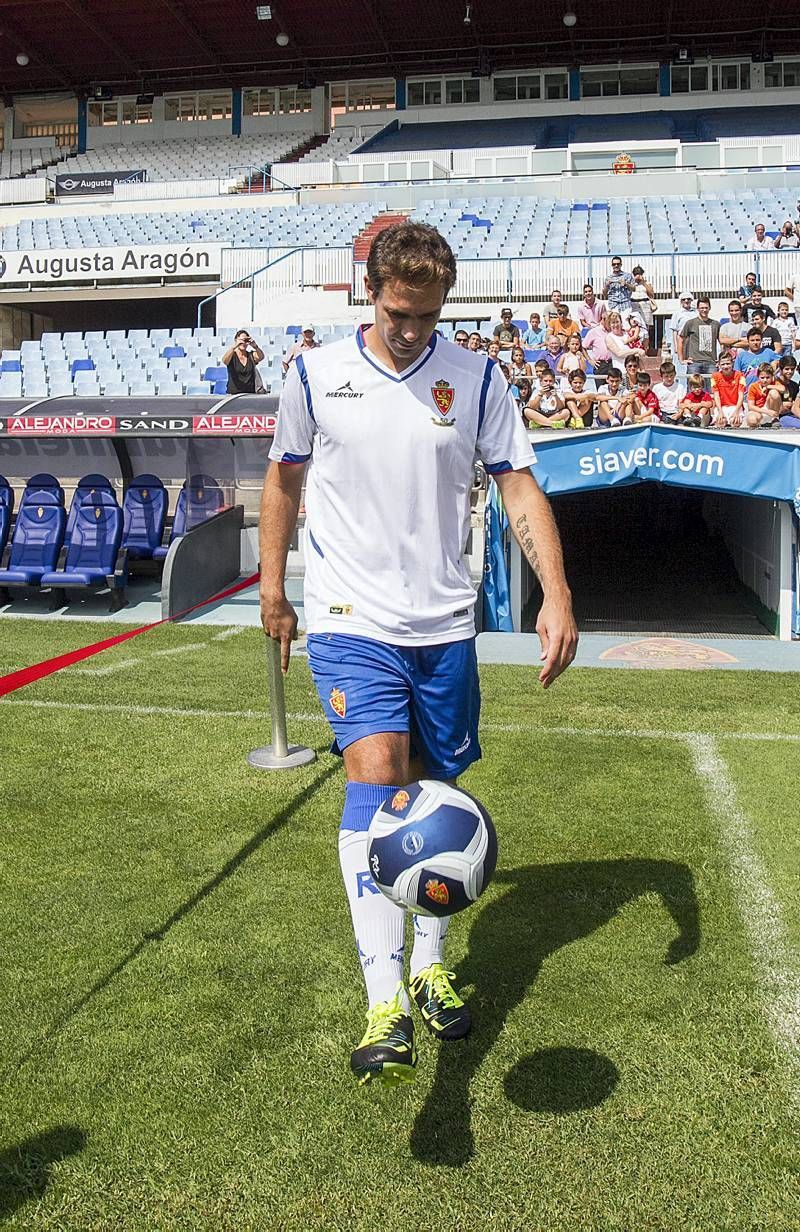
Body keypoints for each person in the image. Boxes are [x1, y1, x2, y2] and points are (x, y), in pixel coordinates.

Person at [259, 221, 577, 1088]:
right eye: (401, 313)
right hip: (350, 618)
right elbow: (283, 479)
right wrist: (273, 585)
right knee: (375, 775)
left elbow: (518, 482)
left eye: (428, 315)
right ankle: (384, 1002)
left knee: (435, 799)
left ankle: (432, 967)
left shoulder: (475, 378)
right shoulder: (315, 373)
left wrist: (557, 592)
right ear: (373, 293)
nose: (412, 330)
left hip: (445, 626)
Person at [678, 295, 720, 378]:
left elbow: (722, 342)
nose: (704, 310)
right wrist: (681, 359)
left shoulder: (716, 324)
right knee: (693, 388)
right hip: (694, 363)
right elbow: (680, 339)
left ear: (709, 308)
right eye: (701, 308)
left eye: (706, 308)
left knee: (712, 389)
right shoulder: (690, 323)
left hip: (711, 362)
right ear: (697, 308)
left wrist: (721, 359)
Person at [221, 329, 265, 394]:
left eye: (246, 341)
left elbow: (261, 357)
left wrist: (255, 346)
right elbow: (224, 360)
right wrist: (235, 346)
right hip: (233, 394)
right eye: (242, 340)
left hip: (250, 394)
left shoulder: (250, 355)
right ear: (236, 340)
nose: (244, 343)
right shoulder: (232, 355)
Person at [710, 352, 746, 428]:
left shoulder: (740, 375)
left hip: (736, 407)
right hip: (721, 407)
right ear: (719, 365)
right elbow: (716, 396)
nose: (726, 366)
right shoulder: (714, 376)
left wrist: (736, 411)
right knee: (721, 423)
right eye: (723, 364)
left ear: (732, 363)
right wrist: (720, 412)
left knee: (735, 423)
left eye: (728, 363)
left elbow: (741, 396)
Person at [745, 363, 780, 428]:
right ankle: (760, 425)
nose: (765, 380)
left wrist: (768, 387)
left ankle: (775, 419)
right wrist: (766, 412)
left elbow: (783, 389)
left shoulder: (774, 383)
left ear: (772, 376)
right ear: (758, 376)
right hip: (759, 411)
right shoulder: (753, 386)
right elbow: (751, 406)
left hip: (770, 409)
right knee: (752, 420)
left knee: (774, 392)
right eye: (762, 378)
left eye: (767, 377)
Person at [652, 361, 686, 425]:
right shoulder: (656, 388)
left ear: (675, 374)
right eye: (666, 376)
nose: (669, 378)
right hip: (663, 413)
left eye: (671, 375)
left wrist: (679, 414)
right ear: (661, 376)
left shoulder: (680, 387)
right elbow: (654, 404)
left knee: (681, 426)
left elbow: (681, 404)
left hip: (676, 412)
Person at [630, 266, 656, 339]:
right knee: (635, 326)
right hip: (634, 305)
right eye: (636, 274)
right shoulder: (631, 283)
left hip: (645, 305)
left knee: (645, 328)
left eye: (639, 273)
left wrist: (643, 282)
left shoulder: (647, 283)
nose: (638, 275)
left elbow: (651, 294)